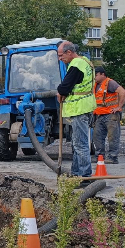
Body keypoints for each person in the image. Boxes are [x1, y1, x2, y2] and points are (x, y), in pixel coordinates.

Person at [56, 41, 96, 177]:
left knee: (80, 145)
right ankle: (75, 173)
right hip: (84, 108)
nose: (60, 59)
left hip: (80, 109)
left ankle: (84, 176)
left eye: (61, 55)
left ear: (69, 52)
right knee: (77, 144)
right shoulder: (85, 61)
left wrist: (60, 92)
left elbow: (65, 87)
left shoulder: (76, 65)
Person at [93, 66, 125, 164]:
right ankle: (99, 156)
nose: (94, 77)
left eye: (96, 75)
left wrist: (119, 107)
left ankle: (113, 157)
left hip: (111, 115)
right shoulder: (96, 85)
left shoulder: (110, 83)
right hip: (99, 115)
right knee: (97, 137)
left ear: (102, 74)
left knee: (113, 137)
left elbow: (123, 92)